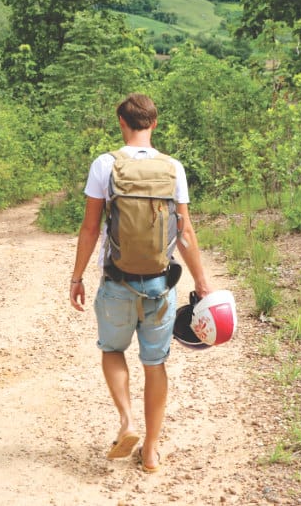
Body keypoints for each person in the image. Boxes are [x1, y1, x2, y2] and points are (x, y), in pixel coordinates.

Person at [69, 93, 212, 474]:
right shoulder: (173, 168)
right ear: (154, 123)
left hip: (117, 282)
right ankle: (150, 451)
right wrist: (201, 282)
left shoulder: (105, 165)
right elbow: (185, 232)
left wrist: (77, 276)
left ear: (122, 123)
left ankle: (127, 421)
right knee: (155, 363)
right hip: (160, 286)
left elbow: (90, 228)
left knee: (112, 350)